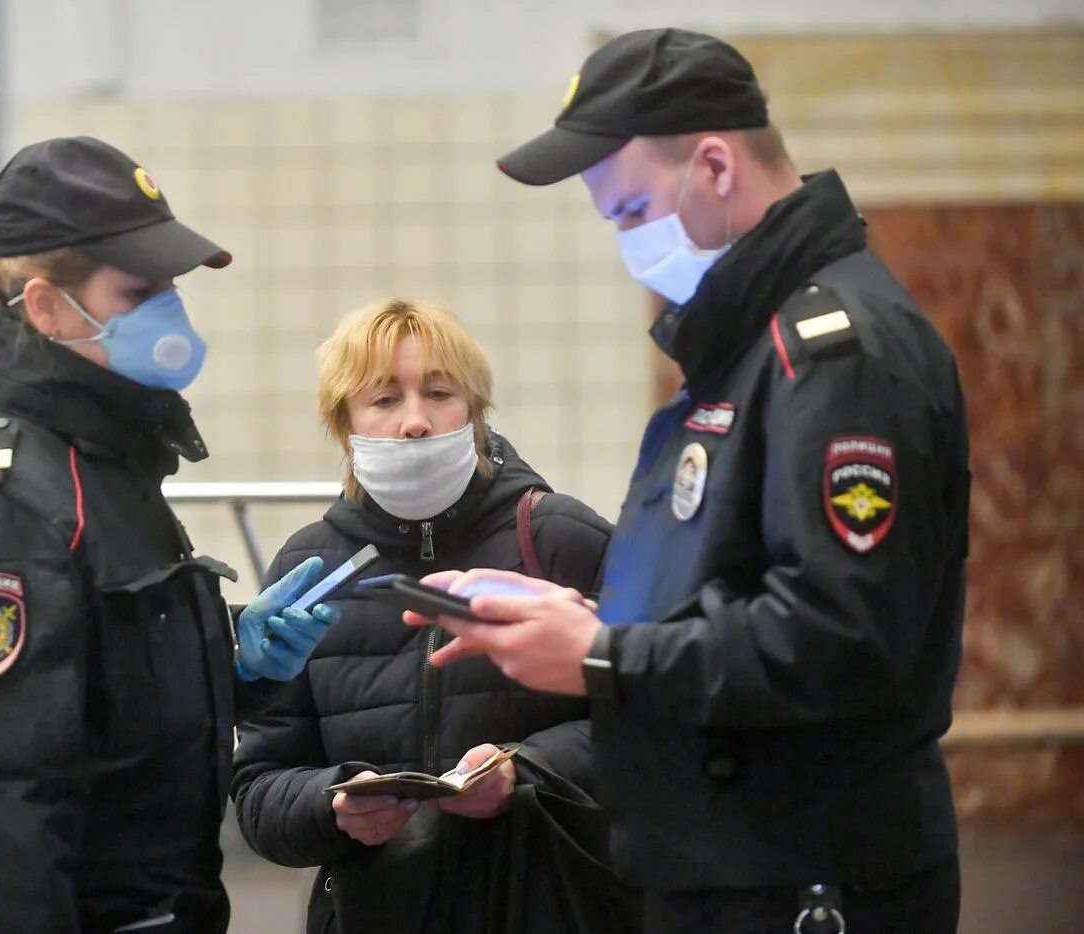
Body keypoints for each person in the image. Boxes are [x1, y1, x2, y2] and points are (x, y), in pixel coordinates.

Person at [406, 29, 971, 934]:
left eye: (632, 212)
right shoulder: (748, 339)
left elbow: (842, 636)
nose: (631, 244)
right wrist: (585, 619)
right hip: (728, 866)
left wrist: (602, 657)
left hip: (807, 881)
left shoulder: (835, 353)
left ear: (713, 164)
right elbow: (728, 583)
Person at [0, 136, 341, 933]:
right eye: (140, 290)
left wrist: (231, 658)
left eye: (170, 285)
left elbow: (98, 688)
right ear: (47, 309)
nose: (170, 307)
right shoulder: (6, 504)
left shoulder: (102, 465)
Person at [231, 299, 640, 934]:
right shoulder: (313, 567)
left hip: (555, 902)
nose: (415, 422)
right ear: (345, 424)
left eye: (439, 393)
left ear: (475, 413)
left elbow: (650, 715)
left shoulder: (561, 538)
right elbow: (260, 787)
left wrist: (523, 770)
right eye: (384, 399)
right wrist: (331, 805)